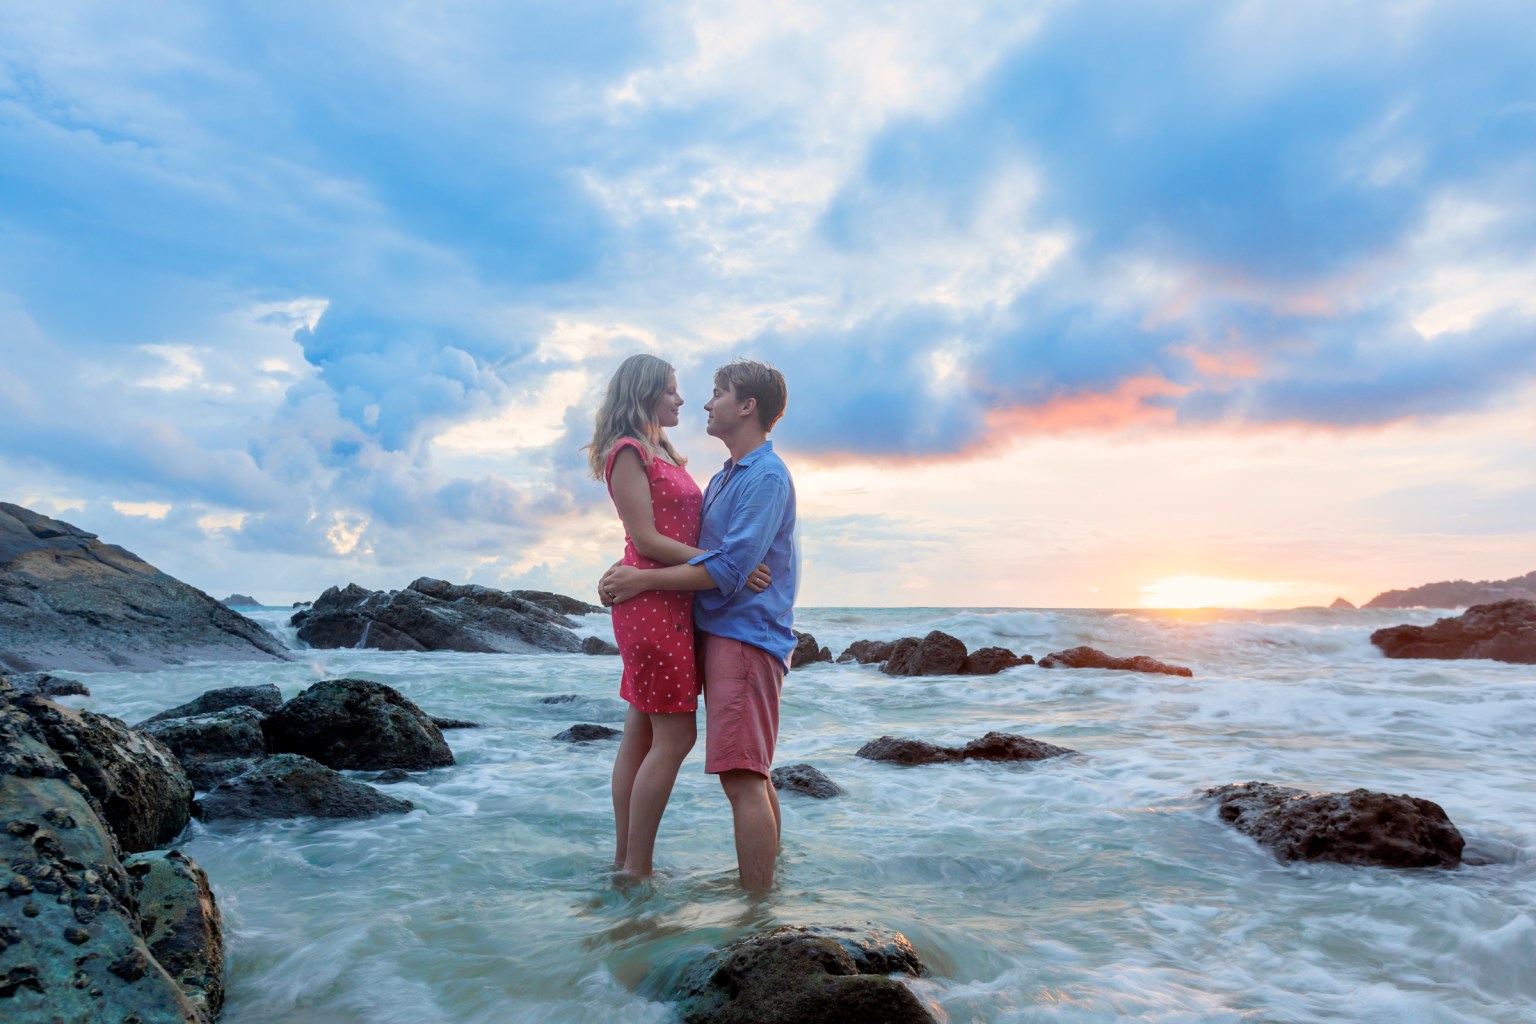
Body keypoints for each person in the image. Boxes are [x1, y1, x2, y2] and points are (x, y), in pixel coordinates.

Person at [602, 359, 795, 892]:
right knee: (742, 769)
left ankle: (757, 910)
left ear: (747, 406)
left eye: (716, 393)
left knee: (742, 773)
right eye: (677, 391)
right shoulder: (724, 476)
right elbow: (654, 539)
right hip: (697, 623)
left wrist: (642, 577)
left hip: (741, 632)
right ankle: (754, 897)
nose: (700, 402)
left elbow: (729, 568)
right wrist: (637, 577)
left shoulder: (762, 477)